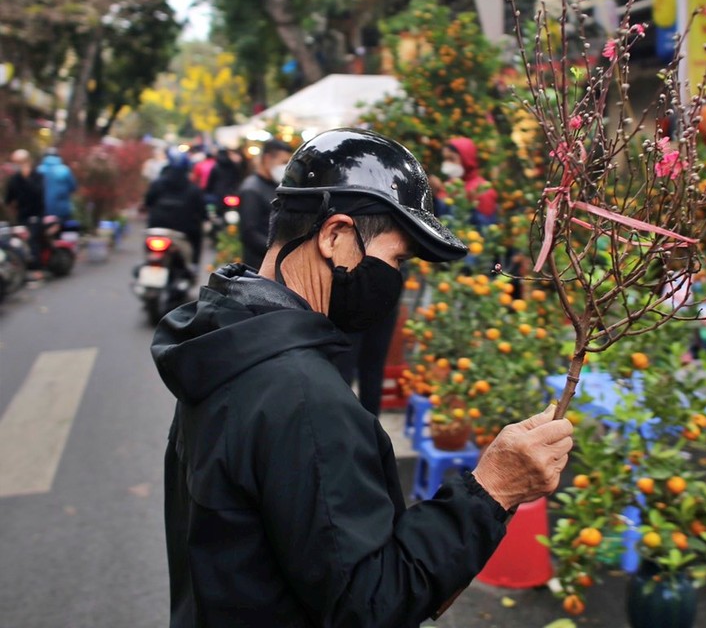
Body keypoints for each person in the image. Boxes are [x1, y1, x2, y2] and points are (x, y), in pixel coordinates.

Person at [152, 128, 572, 627]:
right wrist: (492, 490)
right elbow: (370, 604)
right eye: (396, 259)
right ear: (334, 235)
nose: (398, 278)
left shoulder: (225, 341)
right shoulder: (303, 399)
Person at [237, 138, 293, 269]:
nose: (286, 167)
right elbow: (250, 234)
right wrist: (280, 252)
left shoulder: (276, 185)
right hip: (260, 266)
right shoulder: (251, 189)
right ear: (268, 159)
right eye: (284, 162)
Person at [143, 153, 208, 266]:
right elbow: (201, 211)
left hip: (156, 228)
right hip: (183, 231)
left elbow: (148, 202)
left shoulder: (157, 184)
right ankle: (194, 265)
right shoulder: (193, 189)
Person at [428, 136, 497, 227]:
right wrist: (433, 195)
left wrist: (470, 207)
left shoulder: (483, 190)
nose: (447, 164)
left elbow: (485, 230)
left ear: (466, 160)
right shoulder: (449, 185)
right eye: (445, 159)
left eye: (451, 159)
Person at [4, 149, 45, 224]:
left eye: (20, 163)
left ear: (28, 162)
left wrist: (27, 178)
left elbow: (39, 193)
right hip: (22, 217)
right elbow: (8, 199)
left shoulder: (38, 176)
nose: (17, 166)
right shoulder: (14, 179)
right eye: (15, 163)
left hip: (38, 217)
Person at [37, 148, 77, 222]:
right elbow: (73, 187)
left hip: (43, 210)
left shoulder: (39, 170)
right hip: (62, 211)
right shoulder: (65, 170)